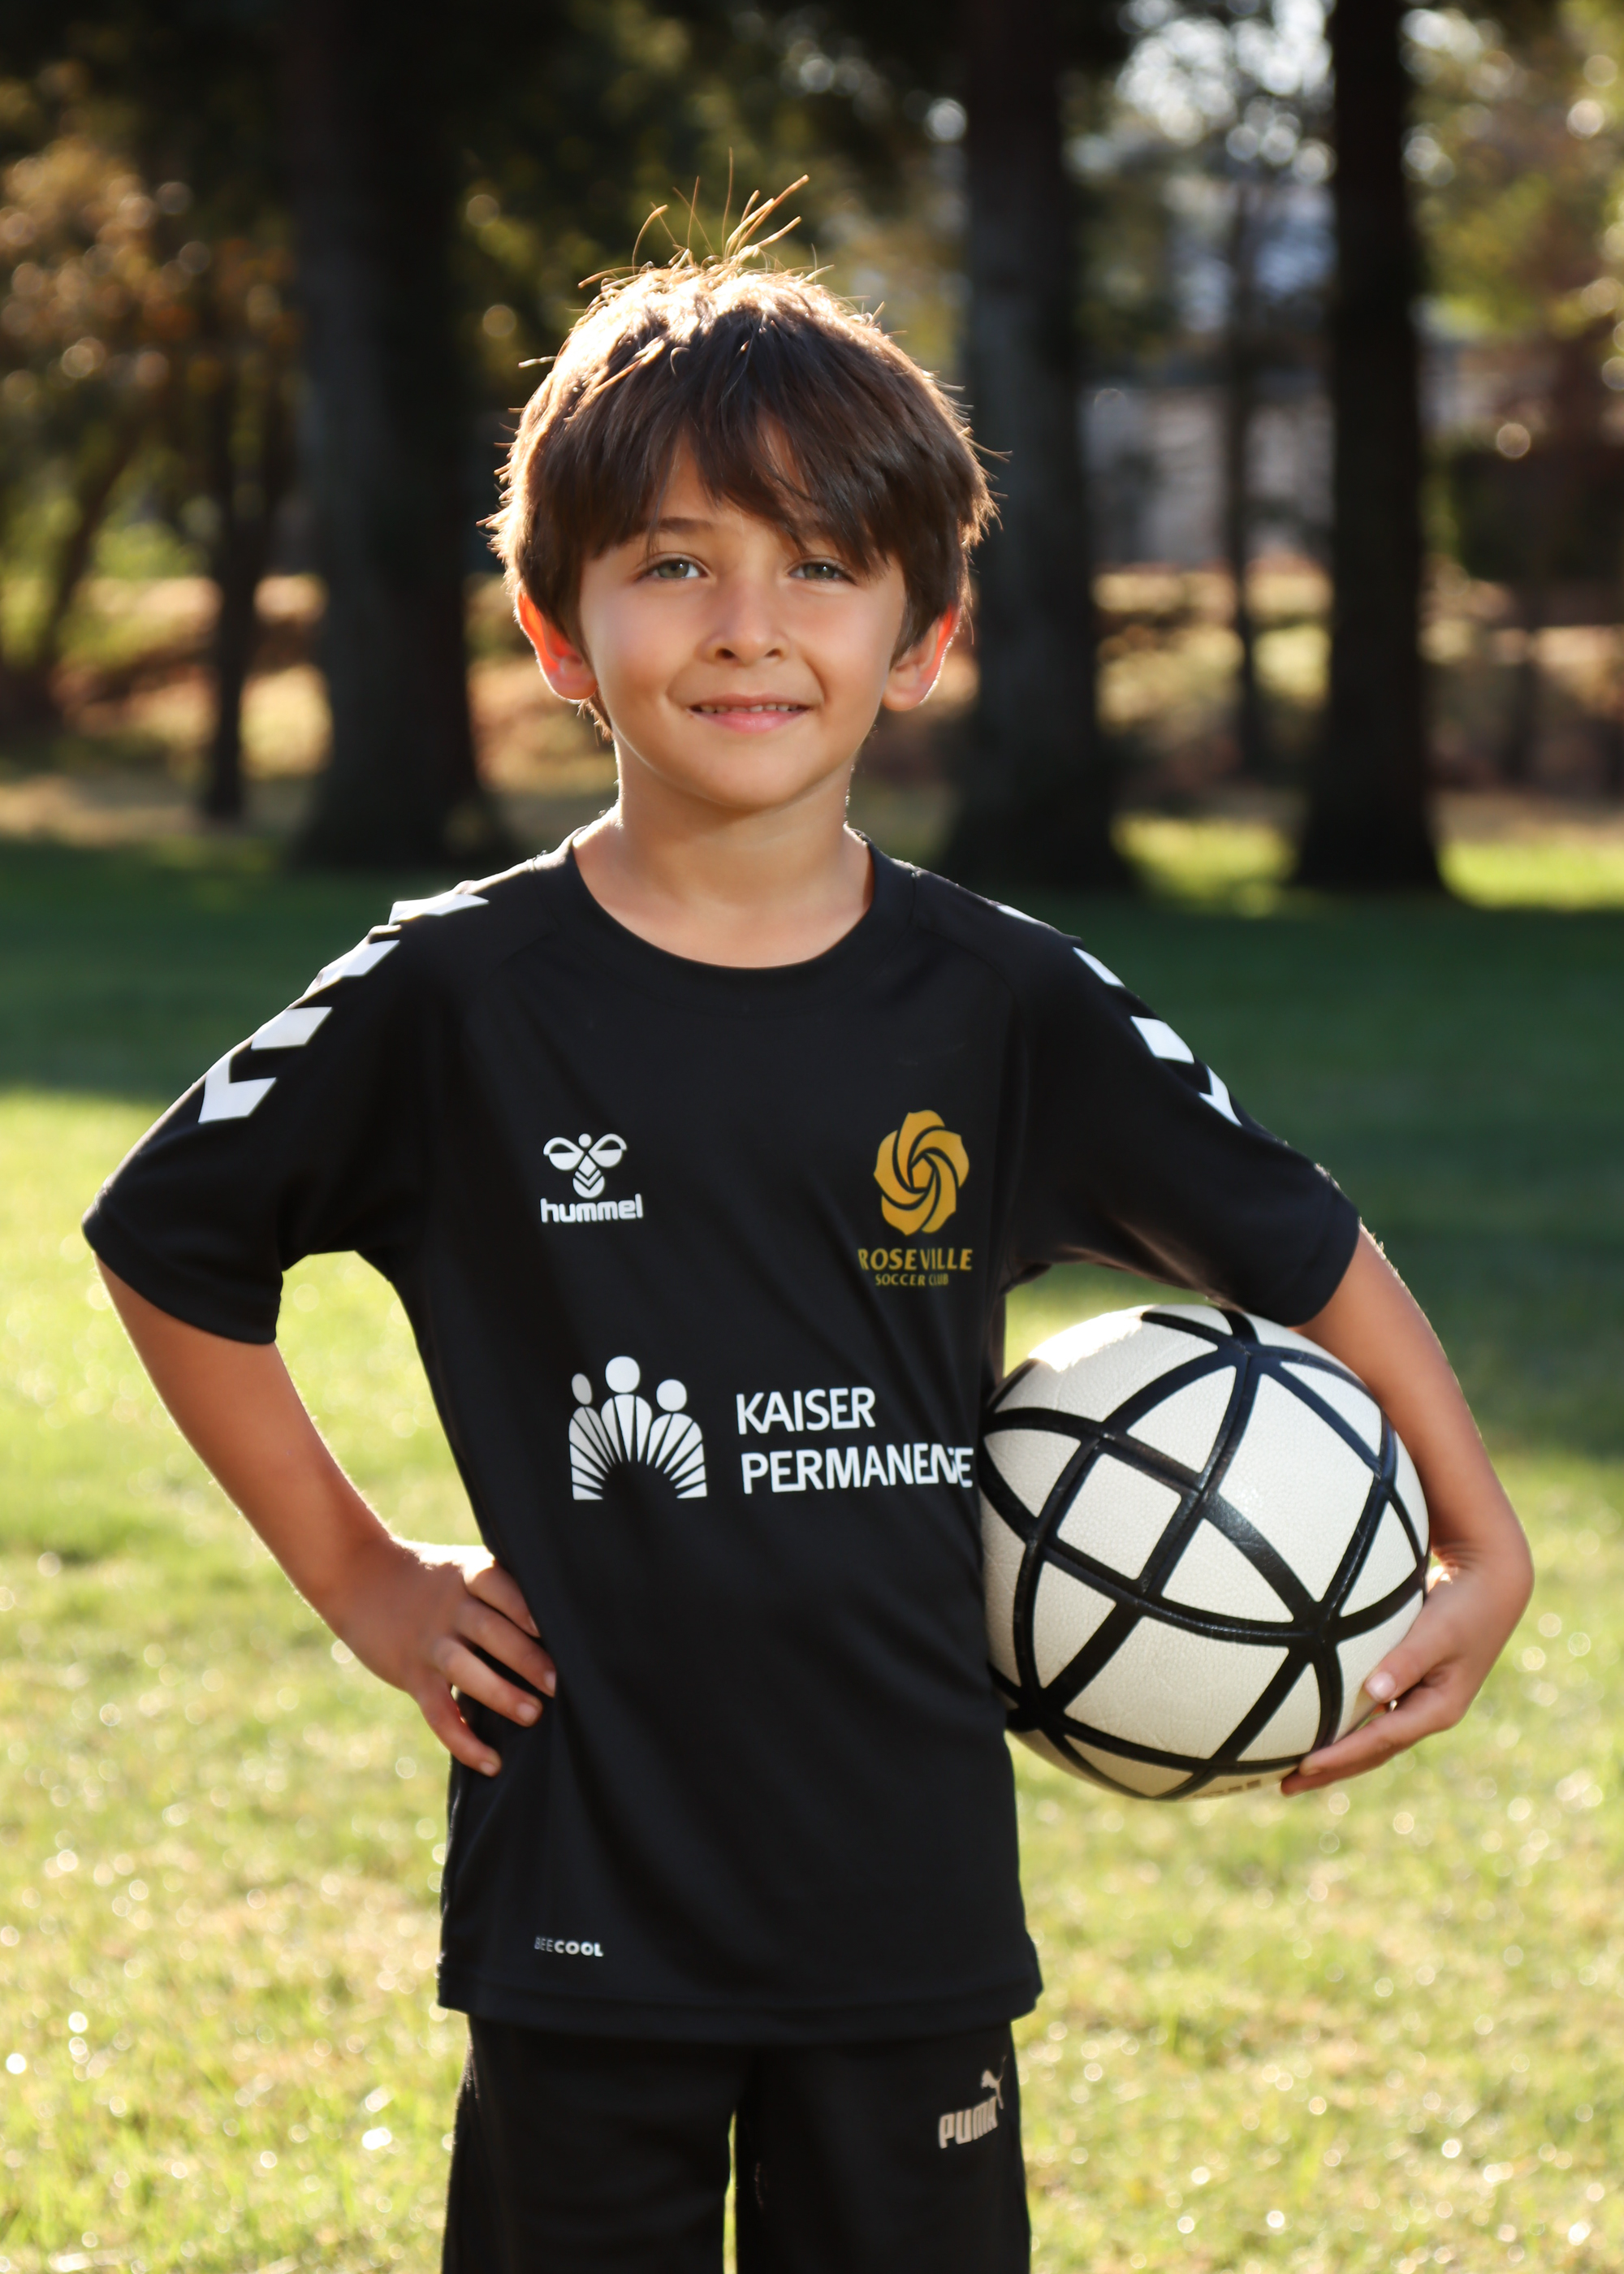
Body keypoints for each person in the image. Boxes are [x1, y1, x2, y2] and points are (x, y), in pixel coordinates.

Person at [84, 241, 1531, 2274]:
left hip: (900, 1896)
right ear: (556, 627)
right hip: (584, 1886)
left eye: (822, 566)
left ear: (923, 635)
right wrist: (364, 1576)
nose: (748, 625)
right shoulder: (453, 995)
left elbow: (1295, 1235)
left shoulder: (1009, 1005)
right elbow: (170, 1237)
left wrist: (1480, 1533)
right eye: (673, 563)